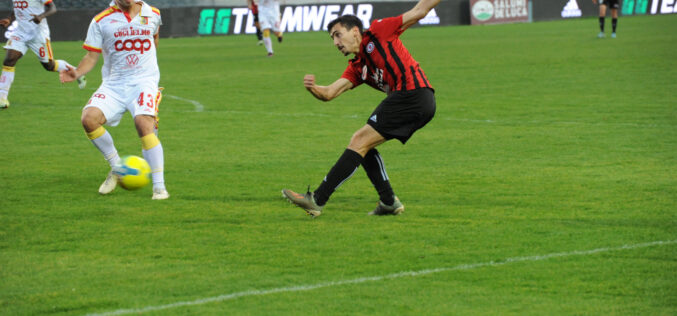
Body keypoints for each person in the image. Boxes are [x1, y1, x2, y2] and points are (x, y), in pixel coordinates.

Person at [282, 0, 440, 218]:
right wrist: (313, 88)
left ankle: (317, 200)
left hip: (413, 93)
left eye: (338, 34)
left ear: (355, 31)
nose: (335, 42)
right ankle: (388, 201)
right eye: (332, 38)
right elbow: (329, 93)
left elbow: (420, 11)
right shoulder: (358, 67)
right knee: (362, 147)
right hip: (413, 101)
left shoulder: (379, 31)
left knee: (359, 141)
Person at [59, 0, 169, 200]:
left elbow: (154, 41)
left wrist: (148, 72)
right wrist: (77, 72)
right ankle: (118, 168)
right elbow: (91, 57)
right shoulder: (101, 21)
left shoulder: (153, 13)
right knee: (89, 119)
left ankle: (159, 188)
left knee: (143, 123)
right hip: (114, 84)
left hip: (144, 82)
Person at [0, 0, 85, 109]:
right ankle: (2, 98)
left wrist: (41, 16)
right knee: (9, 61)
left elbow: (52, 8)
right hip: (20, 33)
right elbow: (18, 8)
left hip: (38, 34)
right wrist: (9, 18)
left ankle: (77, 72)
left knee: (49, 65)